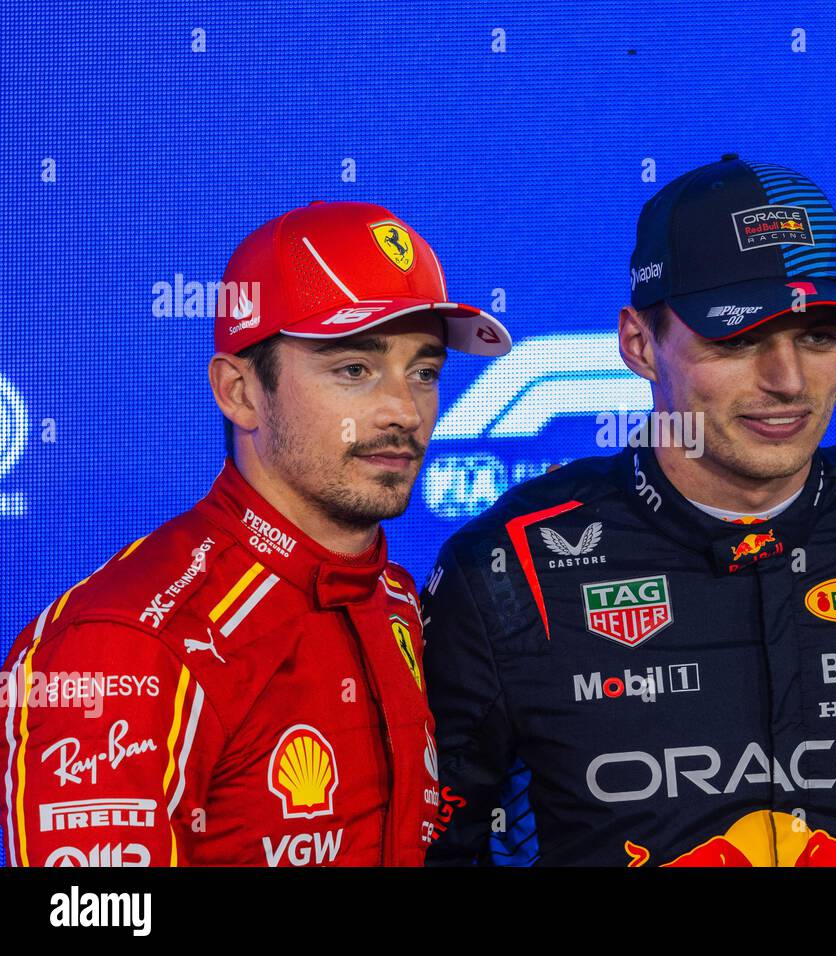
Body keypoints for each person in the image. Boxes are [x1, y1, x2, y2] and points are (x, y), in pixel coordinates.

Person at [422, 156, 836, 866]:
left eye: (817, 334)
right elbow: (438, 847)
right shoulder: (511, 568)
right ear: (639, 344)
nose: (787, 381)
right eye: (738, 338)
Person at [0, 200, 511, 867]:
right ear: (240, 392)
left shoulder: (394, 599)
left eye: (424, 371)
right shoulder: (125, 643)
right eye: (353, 369)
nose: (404, 410)